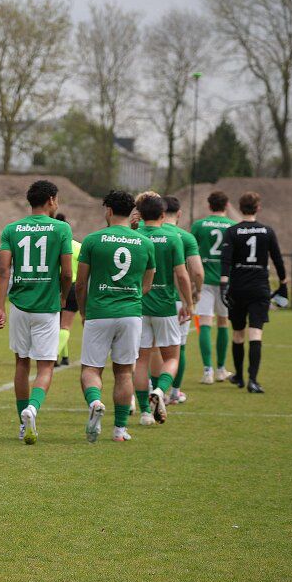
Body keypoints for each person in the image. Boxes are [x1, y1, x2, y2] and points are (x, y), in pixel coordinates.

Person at [0, 181, 72, 444]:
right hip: (47, 307)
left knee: (21, 362)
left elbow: (4, 271)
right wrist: (63, 296)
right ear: (51, 200)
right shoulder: (61, 228)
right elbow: (67, 273)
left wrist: (0, 306)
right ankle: (33, 408)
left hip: (19, 305)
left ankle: (21, 423)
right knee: (46, 365)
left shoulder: (12, 229)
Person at [76, 190, 155, 443]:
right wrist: (130, 295)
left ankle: (95, 402)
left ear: (108, 211)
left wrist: (83, 311)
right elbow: (147, 284)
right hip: (130, 313)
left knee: (91, 369)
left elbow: (81, 283)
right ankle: (120, 430)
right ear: (132, 212)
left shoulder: (92, 240)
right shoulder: (145, 242)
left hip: (99, 311)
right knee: (124, 373)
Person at [133, 193, 193, 427]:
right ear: (162, 215)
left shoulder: (135, 236)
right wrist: (188, 303)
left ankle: (145, 413)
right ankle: (160, 390)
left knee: (141, 361)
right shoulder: (172, 238)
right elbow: (182, 275)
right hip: (165, 307)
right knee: (172, 357)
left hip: (139, 305)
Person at [220, 192, 287, 394]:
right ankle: (253, 380)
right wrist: (283, 283)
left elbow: (226, 260)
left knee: (238, 333)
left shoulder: (232, 231)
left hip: (238, 288)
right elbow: (277, 259)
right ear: (258, 208)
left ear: (240, 208)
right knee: (255, 332)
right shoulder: (267, 231)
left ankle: (239, 376)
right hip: (259, 288)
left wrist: (223, 286)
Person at [159, 195, 203, 404]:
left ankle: (149, 389)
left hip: (147, 299)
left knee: (149, 350)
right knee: (178, 348)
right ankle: (174, 392)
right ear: (179, 214)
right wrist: (196, 293)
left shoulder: (144, 232)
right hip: (176, 300)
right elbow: (197, 272)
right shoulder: (185, 237)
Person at [191, 190, 236, 384]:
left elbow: (190, 253)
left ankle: (207, 371)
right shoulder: (233, 226)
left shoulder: (199, 225)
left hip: (204, 280)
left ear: (209, 206)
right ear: (227, 205)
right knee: (223, 322)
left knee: (205, 322)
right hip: (226, 281)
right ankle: (220, 369)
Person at [54, 213, 82, 367]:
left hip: (56, 287)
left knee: (59, 325)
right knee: (65, 326)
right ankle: (61, 356)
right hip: (73, 288)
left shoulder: (52, 246)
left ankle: (56, 355)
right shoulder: (78, 246)